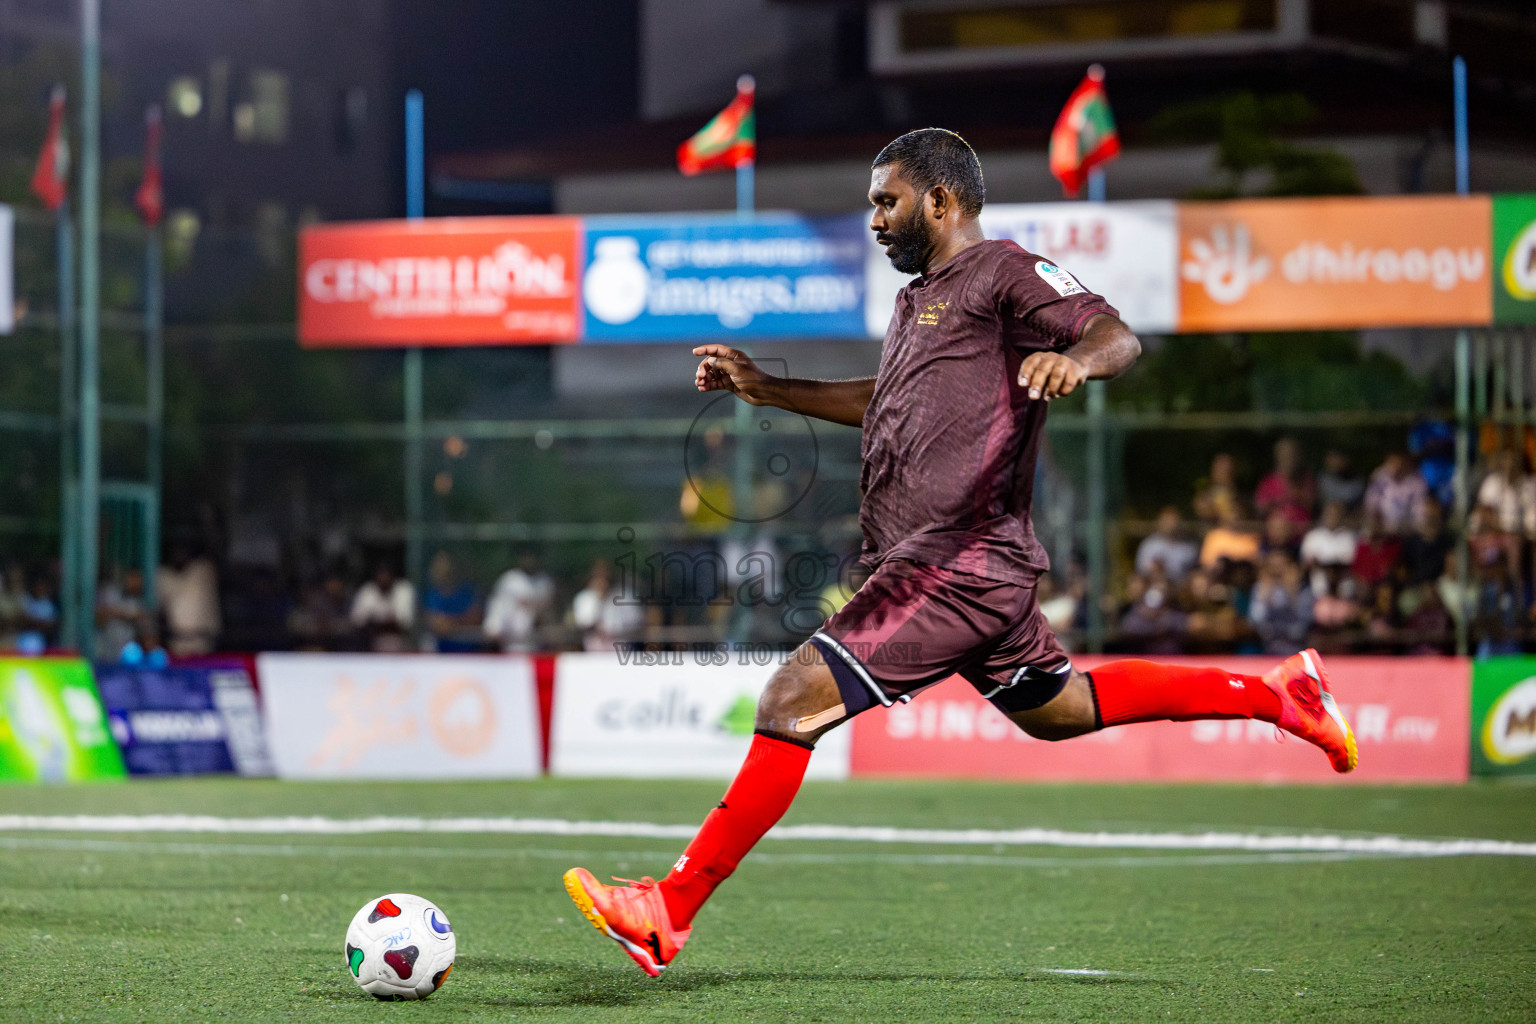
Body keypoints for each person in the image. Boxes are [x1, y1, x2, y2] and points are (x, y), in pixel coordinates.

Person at [561, 128, 1357, 979]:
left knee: (792, 697)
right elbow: (884, 399)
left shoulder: (1004, 272)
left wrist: (1074, 361)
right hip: (953, 564)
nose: (874, 218)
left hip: (958, 559)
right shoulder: (916, 302)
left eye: (886, 200)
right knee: (1062, 708)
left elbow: (1117, 336)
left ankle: (667, 911)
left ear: (940, 201)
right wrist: (768, 388)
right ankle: (1279, 696)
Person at [483, 551, 554, 652]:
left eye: (532, 558)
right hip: (508, 643)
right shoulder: (509, 580)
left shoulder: (544, 582)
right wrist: (493, 627)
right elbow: (497, 608)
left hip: (536, 644)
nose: (529, 561)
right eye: (526, 557)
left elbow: (547, 613)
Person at [157, 544, 220, 656]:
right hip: (176, 641)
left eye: (184, 552)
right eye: (176, 552)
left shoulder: (202, 569)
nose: (180, 555)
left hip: (203, 640)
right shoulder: (163, 576)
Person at [570, 559, 646, 652]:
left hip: (623, 651)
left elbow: (637, 624)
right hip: (593, 652)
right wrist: (600, 600)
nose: (602, 581)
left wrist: (616, 632)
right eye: (598, 577)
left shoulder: (625, 596)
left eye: (605, 577)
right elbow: (582, 625)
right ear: (591, 579)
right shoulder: (584, 598)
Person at [421, 551, 482, 652]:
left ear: (453, 568)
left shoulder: (468, 592)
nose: (442, 570)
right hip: (442, 653)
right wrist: (462, 621)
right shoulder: (432, 596)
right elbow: (438, 627)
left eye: (445, 565)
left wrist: (450, 623)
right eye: (438, 567)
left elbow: (475, 619)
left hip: (471, 652)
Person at [349, 563, 415, 652]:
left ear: (393, 577)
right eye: (381, 576)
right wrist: (384, 621)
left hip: (398, 639)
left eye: (386, 576)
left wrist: (377, 621)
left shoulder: (403, 590)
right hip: (369, 640)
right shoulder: (367, 590)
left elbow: (403, 623)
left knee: (391, 641)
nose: (384, 579)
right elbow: (357, 621)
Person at [1254, 437, 1315, 528]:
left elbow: (1312, 505)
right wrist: (1277, 501)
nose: (1289, 459)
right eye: (1285, 455)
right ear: (1278, 456)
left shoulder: (1306, 480)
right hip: (1275, 534)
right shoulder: (1268, 481)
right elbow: (1260, 508)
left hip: (1302, 533)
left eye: (1292, 455)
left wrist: (1295, 493)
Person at [1364, 452, 1428, 535]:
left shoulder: (1416, 482)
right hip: (1381, 527)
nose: (1396, 467)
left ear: (1405, 465)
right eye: (1393, 463)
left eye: (1399, 464)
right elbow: (1370, 504)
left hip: (1407, 527)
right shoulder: (1379, 479)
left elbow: (1419, 508)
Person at [1134, 506, 1198, 582]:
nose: (1171, 525)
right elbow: (1141, 571)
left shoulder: (1189, 547)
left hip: (1181, 589)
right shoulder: (1149, 545)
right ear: (1161, 522)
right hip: (1154, 586)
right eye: (1167, 521)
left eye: (1174, 521)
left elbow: (1194, 572)